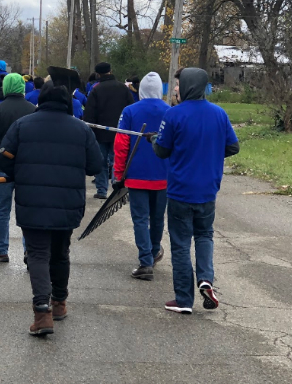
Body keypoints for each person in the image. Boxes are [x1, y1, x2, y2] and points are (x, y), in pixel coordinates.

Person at [0, 84, 102, 336]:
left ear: (40, 101)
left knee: (38, 253)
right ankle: (59, 303)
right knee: (61, 252)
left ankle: (41, 312)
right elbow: (95, 165)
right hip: (68, 201)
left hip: (31, 200)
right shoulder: (81, 129)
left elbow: (3, 157)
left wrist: (15, 173)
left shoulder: (23, 125)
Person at [150, 68, 239, 314]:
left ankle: (183, 299)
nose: (176, 89)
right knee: (204, 235)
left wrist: (154, 140)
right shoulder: (219, 114)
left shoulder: (174, 115)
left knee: (180, 244)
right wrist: (210, 150)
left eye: (178, 85)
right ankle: (206, 278)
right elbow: (233, 146)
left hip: (180, 190)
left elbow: (162, 150)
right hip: (208, 190)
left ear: (189, 86)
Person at [113, 72, 170, 281]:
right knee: (157, 218)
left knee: (140, 219)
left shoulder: (129, 111)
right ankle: (154, 251)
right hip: (163, 175)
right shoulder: (171, 111)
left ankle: (145, 260)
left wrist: (118, 173)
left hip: (136, 175)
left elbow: (121, 145)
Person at [0, 73, 35, 263]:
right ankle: (30, 250)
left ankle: (1, 249)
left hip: (2, 166)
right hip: (27, 168)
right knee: (27, 209)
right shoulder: (33, 111)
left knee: (2, 209)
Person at [83, 62, 134, 199]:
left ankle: (101, 189)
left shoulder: (96, 89)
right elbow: (131, 108)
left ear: (98, 74)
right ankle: (118, 187)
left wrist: (90, 130)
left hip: (100, 132)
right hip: (120, 131)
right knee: (117, 160)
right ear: (111, 71)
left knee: (101, 161)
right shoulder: (123, 88)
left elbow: (89, 113)